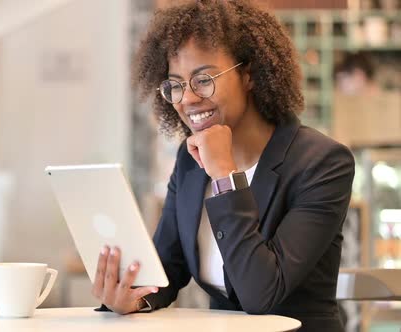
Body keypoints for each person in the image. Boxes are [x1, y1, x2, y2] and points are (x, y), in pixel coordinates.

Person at [91, 1, 355, 332]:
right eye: (175, 84)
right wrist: (133, 297)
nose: (186, 99)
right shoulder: (191, 160)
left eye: (203, 79)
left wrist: (225, 176)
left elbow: (262, 294)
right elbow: (167, 271)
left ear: (249, 75)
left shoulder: (322, 163)